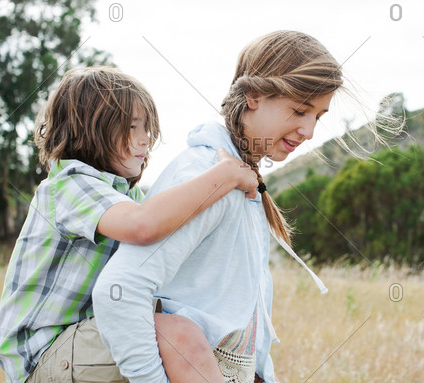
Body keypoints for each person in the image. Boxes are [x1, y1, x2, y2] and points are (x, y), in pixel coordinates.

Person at [92, 30, 400, 383]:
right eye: (300, 110)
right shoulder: (208, 179)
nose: (309, 131)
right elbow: (118, 291)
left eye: (318, 116)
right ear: (253, 95)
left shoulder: (241, 179)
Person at [0, 66, 259, 383]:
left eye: (148, 127)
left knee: (184, 321)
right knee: (179, 334)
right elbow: (143, 226)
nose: (145, 138)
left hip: (84, 341)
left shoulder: (123, 193)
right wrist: (224, 175)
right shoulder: (70, 185)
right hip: (47, 353)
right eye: (133, 126)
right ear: (88, 130)